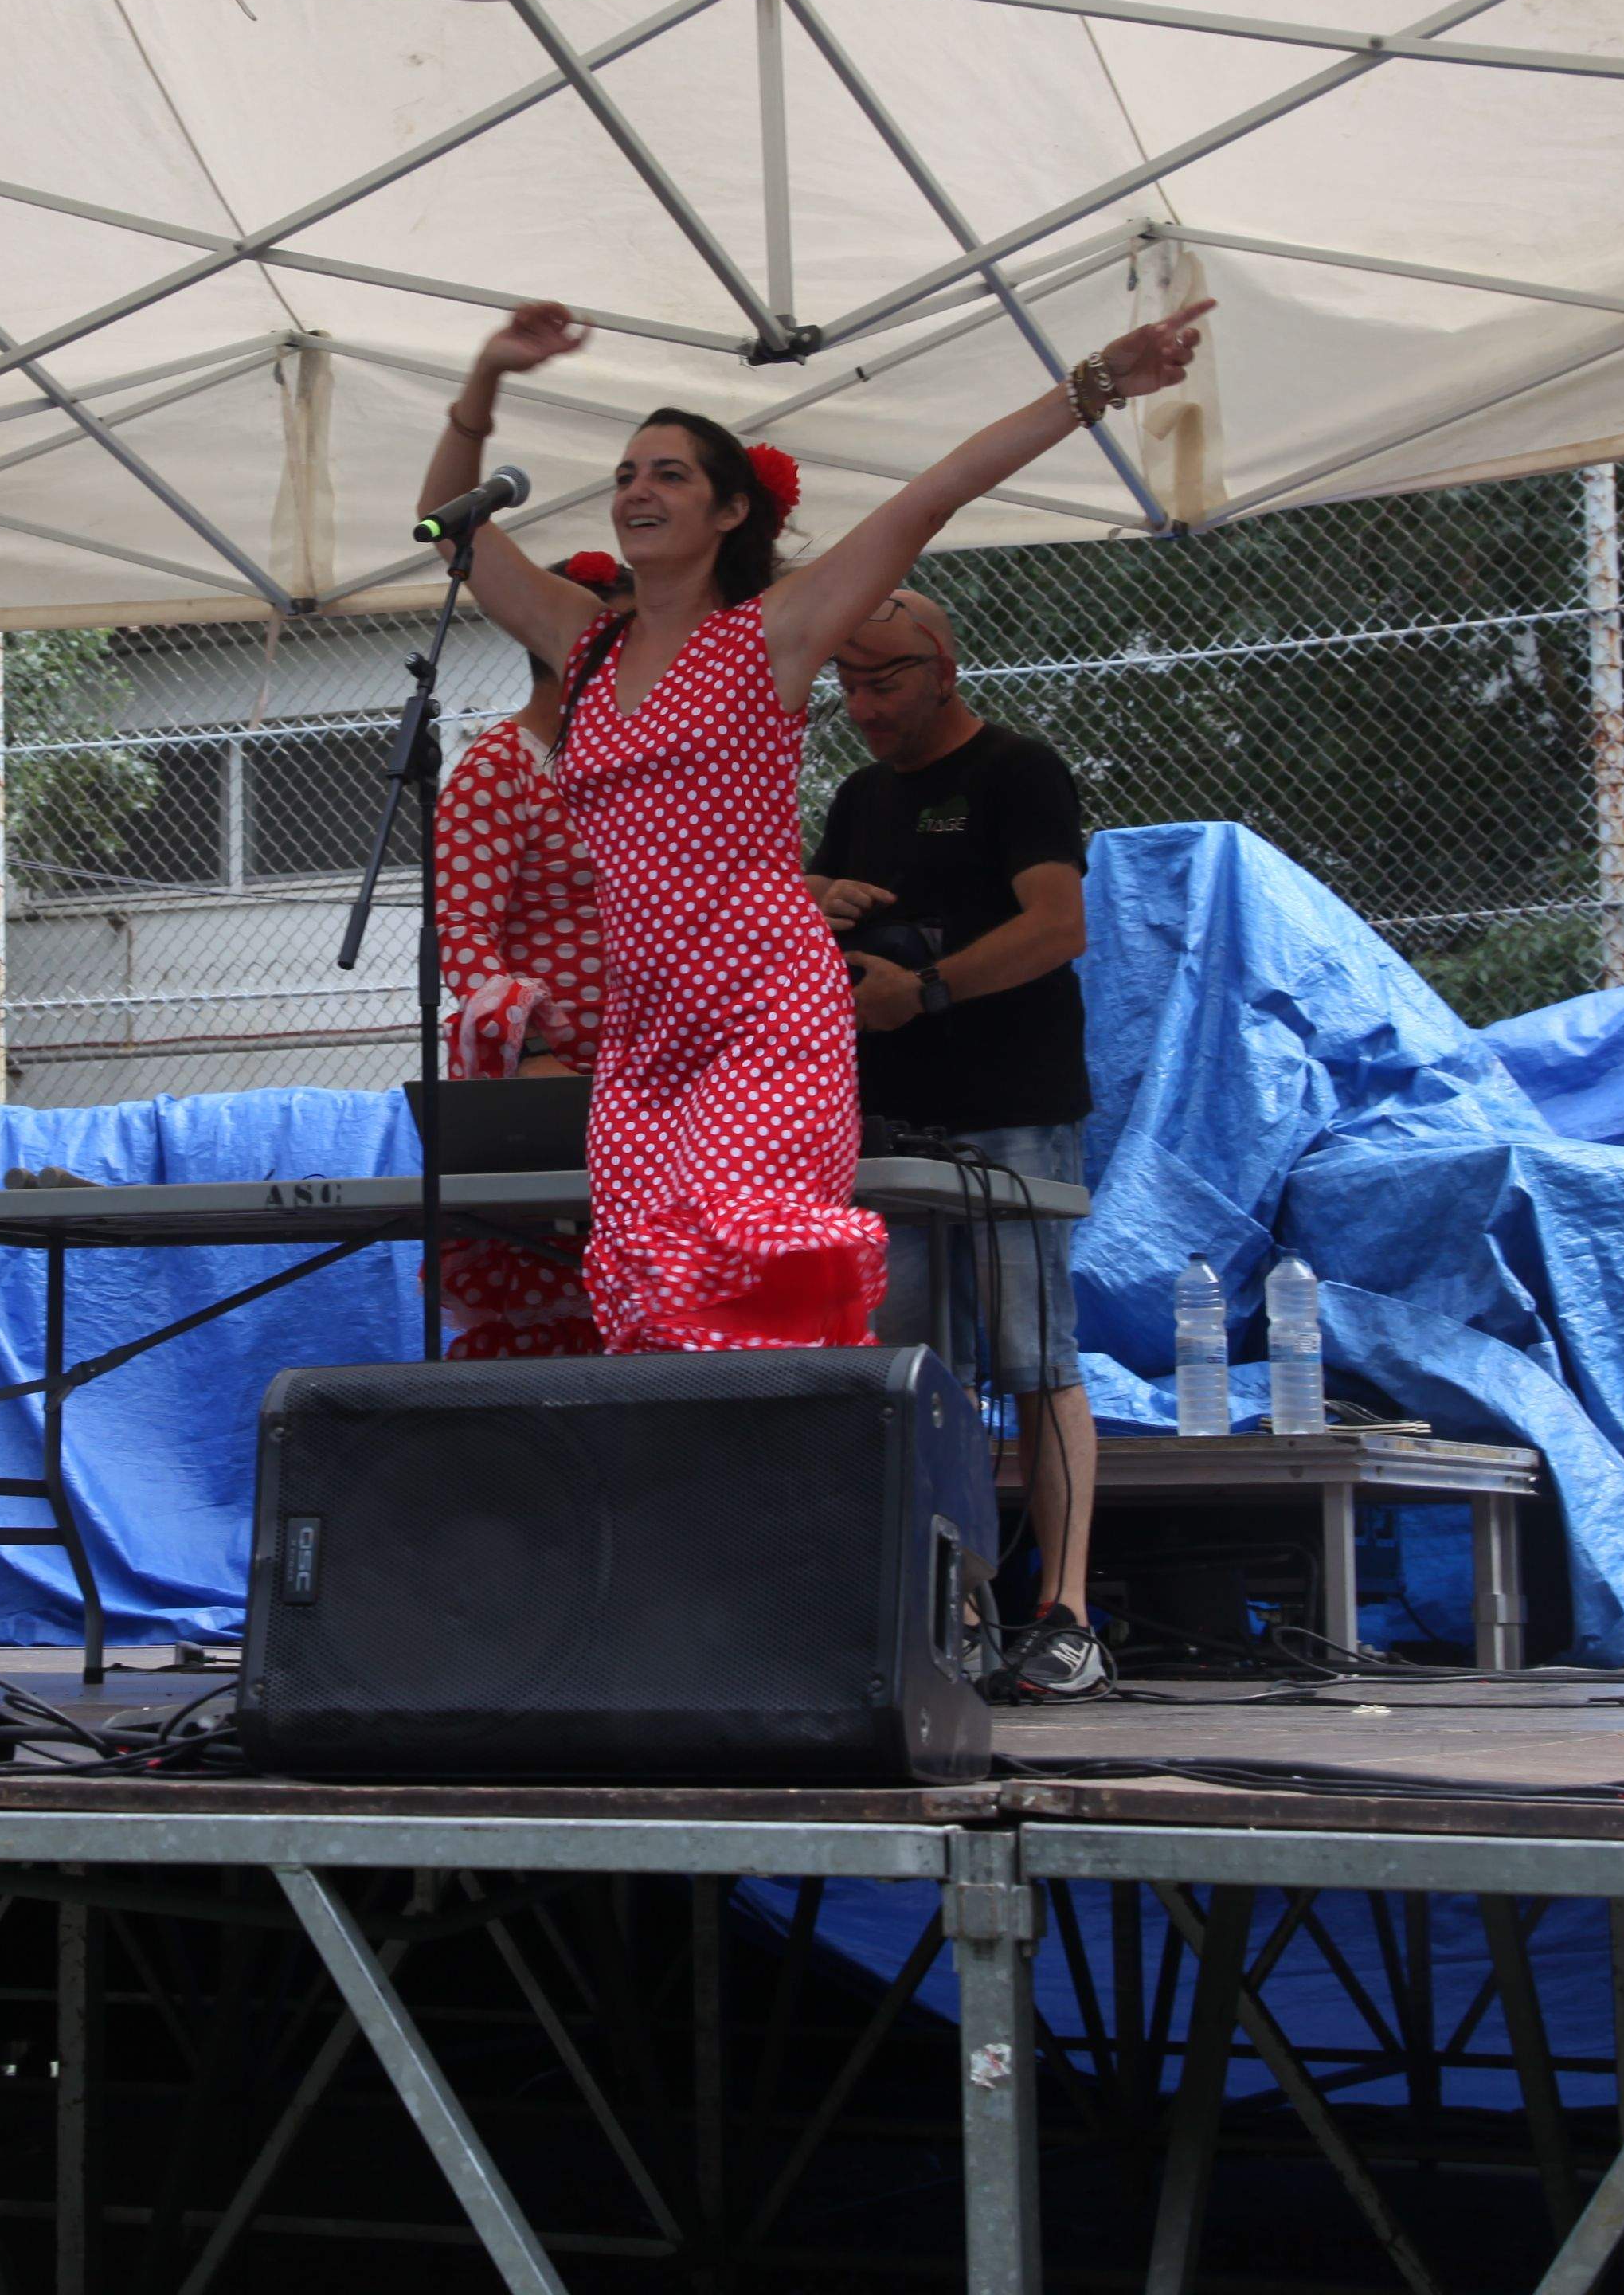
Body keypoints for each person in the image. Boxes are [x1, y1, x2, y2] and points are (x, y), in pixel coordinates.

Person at [418, 299, 1208, 1354]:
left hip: (763, 1012)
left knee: (745, 1278)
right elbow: (449, 529)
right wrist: (486, 381)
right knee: (645, 1300)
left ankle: (823, 1504)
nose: (637, 490)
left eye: (669, 474)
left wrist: (1095, 386)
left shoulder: (772, 634)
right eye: (624, 475)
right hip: (643, 1038)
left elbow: (932, 498)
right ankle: (724, 1520)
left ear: (731, 513)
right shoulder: (587, 646)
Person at [810, 585, 1109, 1697]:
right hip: (889, 1122)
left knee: (1036, 1355)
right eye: (847, 681)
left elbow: (1057, 926)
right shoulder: (859, 796)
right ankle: (957, 1605)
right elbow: (810, 915)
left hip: (1011, 1106)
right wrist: (818, 892)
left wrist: (926, 991)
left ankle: (1067, 1612)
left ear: (943, 667)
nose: (865, 704)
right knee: (914, 1367)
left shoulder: (1017, 772)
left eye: (884, 679)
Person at [428, 548, 628, 1357]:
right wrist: (536, 1051)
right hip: (551, 1086)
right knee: (557, 1314)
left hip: (644, 1078)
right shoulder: (498, 766)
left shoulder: (633, 768)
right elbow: (464, 939)